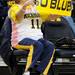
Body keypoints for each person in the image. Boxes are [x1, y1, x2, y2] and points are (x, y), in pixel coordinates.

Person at [0, 0, 55, 75]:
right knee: (37, 45)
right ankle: (28, 71)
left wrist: (63, 12)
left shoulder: (38, 8)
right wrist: (24, 7)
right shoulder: (13, 8)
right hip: (20, 39)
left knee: (50, 46)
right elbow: (18, 18)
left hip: (37, 38)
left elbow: (51, 17)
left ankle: (40, 71)